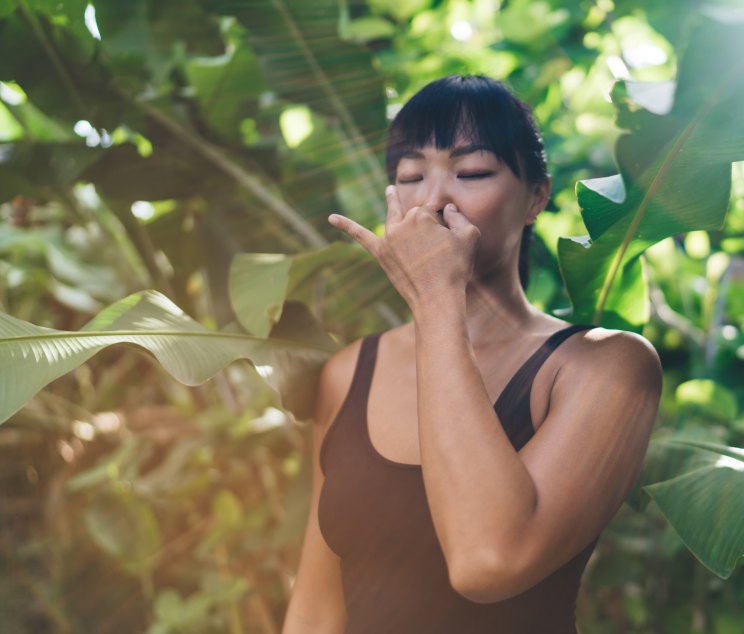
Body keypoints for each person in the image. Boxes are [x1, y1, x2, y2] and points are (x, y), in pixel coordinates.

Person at [281, 74, 662, 633]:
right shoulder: (347, 373)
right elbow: (315, 610)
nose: (433, 200)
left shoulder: (605, 366)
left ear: (536, 196)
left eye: (473, 172)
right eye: (411, 176)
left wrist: (437, 297)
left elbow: (488, 562)